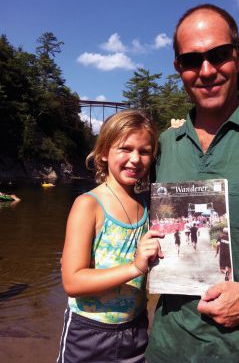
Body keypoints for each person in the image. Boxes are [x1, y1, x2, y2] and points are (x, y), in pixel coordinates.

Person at [146, 4, 239, 362]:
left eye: (219, 55)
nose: (207, 70)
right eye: (191, 60)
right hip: (169, 350)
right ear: (178, 69)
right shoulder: (161, 147)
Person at [57, 110, 163, 363]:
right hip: (87, 332)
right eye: (125, 149)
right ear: (104, 152)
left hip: (135, 329)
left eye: (144, 151)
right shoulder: (88, 204)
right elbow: (73, 282)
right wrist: (135, 267)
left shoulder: (150, 205)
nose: (135, 159)